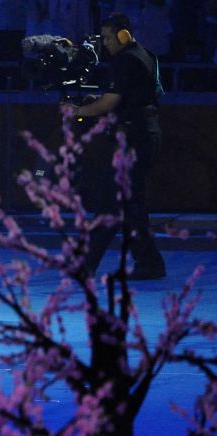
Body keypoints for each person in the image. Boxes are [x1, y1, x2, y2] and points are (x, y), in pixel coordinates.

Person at [74, 12, 166, 280]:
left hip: (134, 139)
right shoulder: (146, 55)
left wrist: (78, 110)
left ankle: (87, 264)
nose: (105, 43)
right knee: (130, 206)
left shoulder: (125, 60)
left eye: (108, 37)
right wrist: (99, 100)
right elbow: (137, 94)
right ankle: (149, 263)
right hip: (145, 135)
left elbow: (109, 103)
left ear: (123, 35)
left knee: (112, 203)